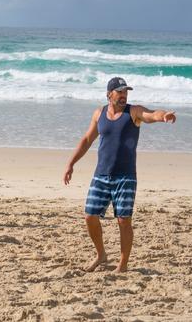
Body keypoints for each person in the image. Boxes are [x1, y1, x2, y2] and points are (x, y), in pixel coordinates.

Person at [63, 77, 177, 273]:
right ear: (109, 94)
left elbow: (150, 115)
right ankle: (101, 254)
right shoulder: (99, 113)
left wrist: (163, 116)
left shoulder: (133, 112)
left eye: (126, 92)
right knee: (90, 216)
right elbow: (87, 140)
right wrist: (71, 164)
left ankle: (122, 265)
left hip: (125, 177)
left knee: (123, 220)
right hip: (101, 174)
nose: (124, 95)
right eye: (120, 92)